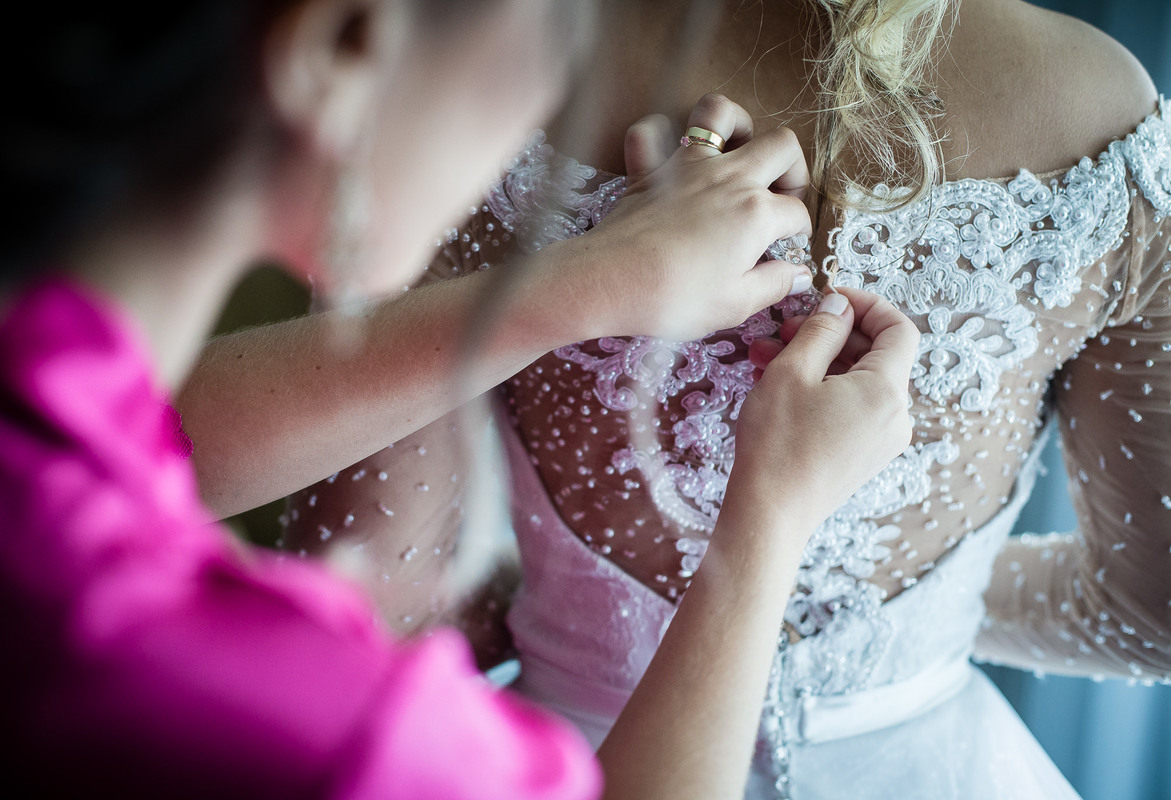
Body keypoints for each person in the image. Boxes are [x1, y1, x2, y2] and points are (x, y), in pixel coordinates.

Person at [273, 0, 1171, 797]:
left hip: (569, 761)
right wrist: (923, 613)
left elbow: (369, 608)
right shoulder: (1102, 116)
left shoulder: (503, 63)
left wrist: (572, 615)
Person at [0, 0, 922, 798]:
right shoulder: (328, 724)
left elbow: (151, 436)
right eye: (562, 38)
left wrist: (584, 282)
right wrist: (768, 517)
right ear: (345, 42)